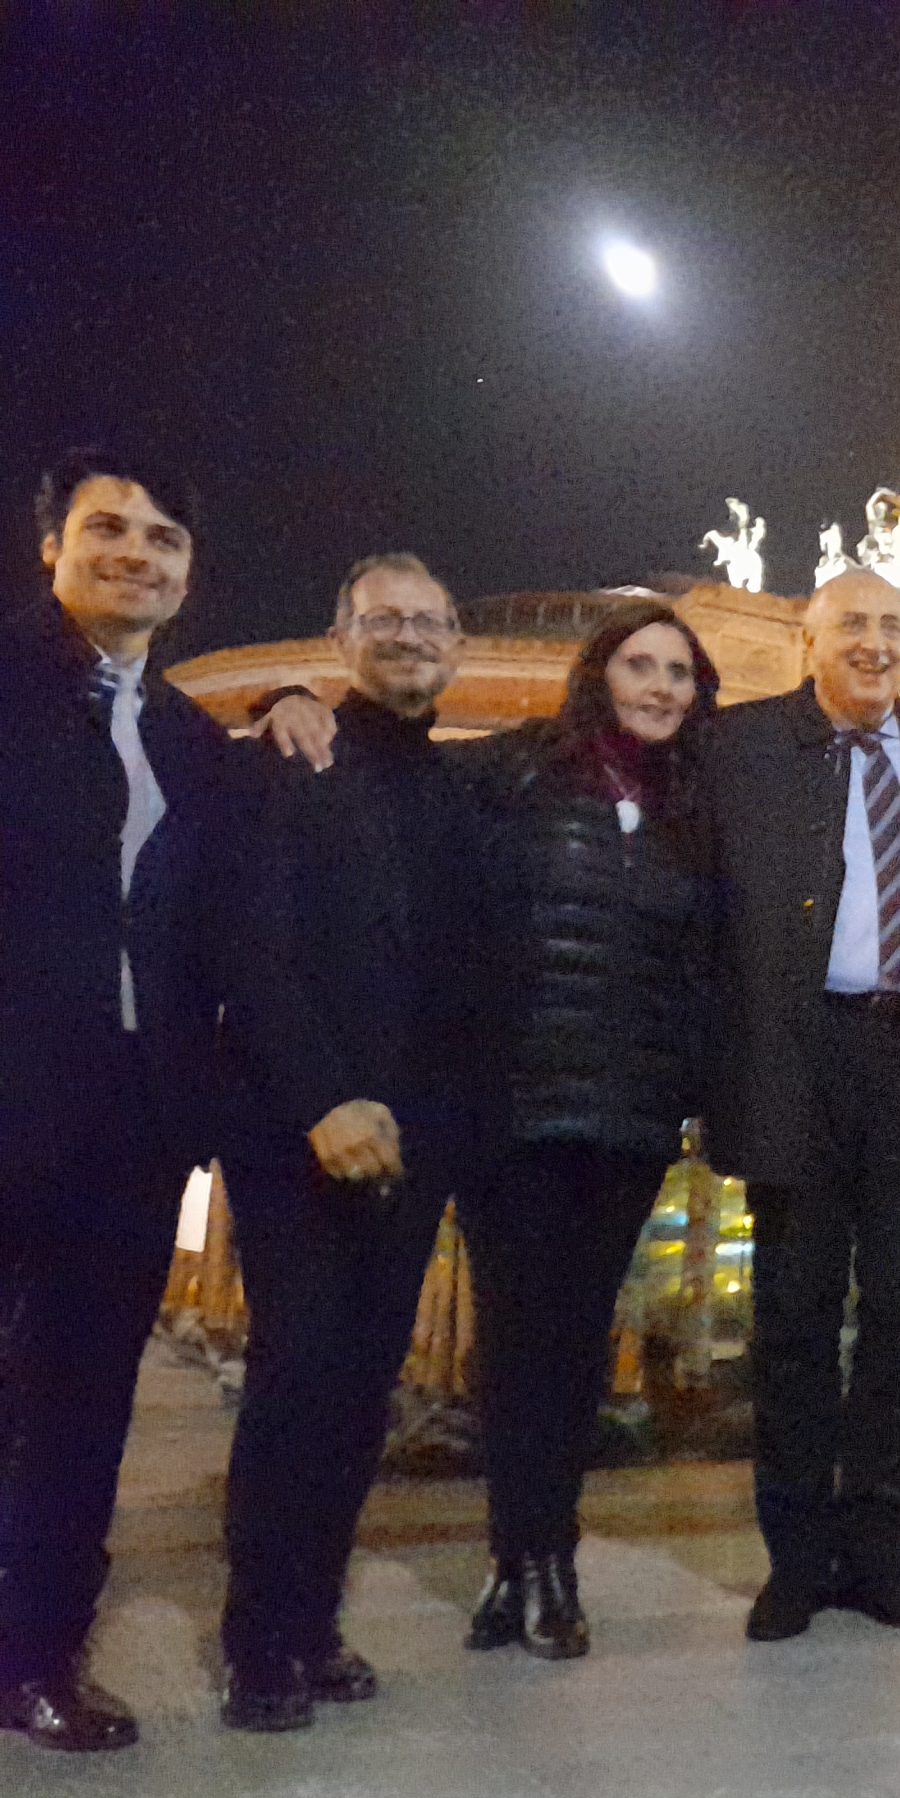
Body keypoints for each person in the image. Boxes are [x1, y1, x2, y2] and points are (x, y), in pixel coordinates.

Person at [0, 449, 328, 1751]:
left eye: (164, 540)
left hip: (130, 1128)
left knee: (81, 1408)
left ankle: (38, 1657)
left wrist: (305, 700)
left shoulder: (193, 743)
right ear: (52, 548)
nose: (137, 553)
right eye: (109, 529)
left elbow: (230, 935)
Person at [215, 553, 494, 1730]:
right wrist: (323, 1100)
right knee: (296, 1381)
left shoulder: (458, 787)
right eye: (385, 619)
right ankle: (259, 1643)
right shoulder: (288, 760)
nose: (410, 637)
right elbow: (255, 952)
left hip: (414, 1141)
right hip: (302, 1135)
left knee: (359, 1392)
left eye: (430, 621)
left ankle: (314, 1619)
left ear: (456, 646)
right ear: (340, 637)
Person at [699, 567, 900, 1644]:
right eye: (853, 625)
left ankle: (876, 1545)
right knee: (792, 1317)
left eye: (892, 626)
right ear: (808, 639)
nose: (875, 643)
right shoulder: (735, 748)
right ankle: (795, 1558)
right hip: (793, 1058)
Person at [452, 601, 722, 1659]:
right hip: (513, 1108)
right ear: (599, 674)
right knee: (516, 1338)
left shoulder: (697, 804)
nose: (660, 687)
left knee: (574, 1341)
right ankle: (517, 1559)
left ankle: (546, 1555)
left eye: (679, 673)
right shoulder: (517, 772)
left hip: (630, 1114)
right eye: (639, 665)